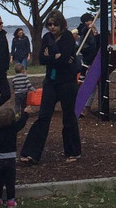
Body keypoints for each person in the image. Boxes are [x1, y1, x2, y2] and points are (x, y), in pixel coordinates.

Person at [19, 11, 81, 165]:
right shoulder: (46, 38)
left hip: (68, 82)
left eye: (55, 24)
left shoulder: (67, 37)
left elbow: (66, 58)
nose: (52, 27)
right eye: (49, 24)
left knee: (68, 117)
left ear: (62, 24)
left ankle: (72, 151)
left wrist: (52, 57)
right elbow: (41, 58)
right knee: (44, 116)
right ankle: (31, 153)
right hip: (51, 82)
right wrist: (55, 57)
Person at [0, 103, 29, 207]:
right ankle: (11, 201)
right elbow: (22, 122)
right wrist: (25, 113)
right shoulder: (13, 128)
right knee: (10, 181)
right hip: (10, 158)